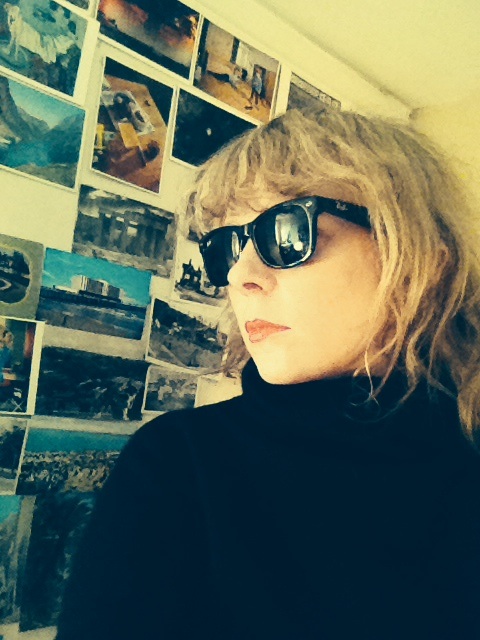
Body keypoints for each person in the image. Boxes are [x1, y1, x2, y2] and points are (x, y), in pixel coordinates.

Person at [56, 106, 480, 639]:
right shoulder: (179, 465)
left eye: (286, 231)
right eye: (225, 247)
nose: (241, 276)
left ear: (424, 263)